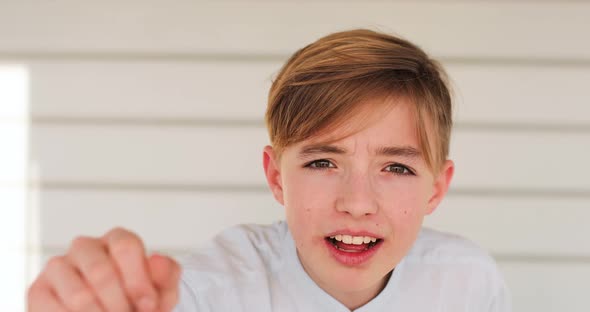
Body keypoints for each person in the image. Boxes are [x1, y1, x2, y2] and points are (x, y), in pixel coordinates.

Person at [27, 29, 511, 311]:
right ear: (277, 177)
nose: (358, 202)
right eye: (323, 161)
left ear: (436, 189)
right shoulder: (207, 291)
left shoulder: (468, 284)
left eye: (397, 168)